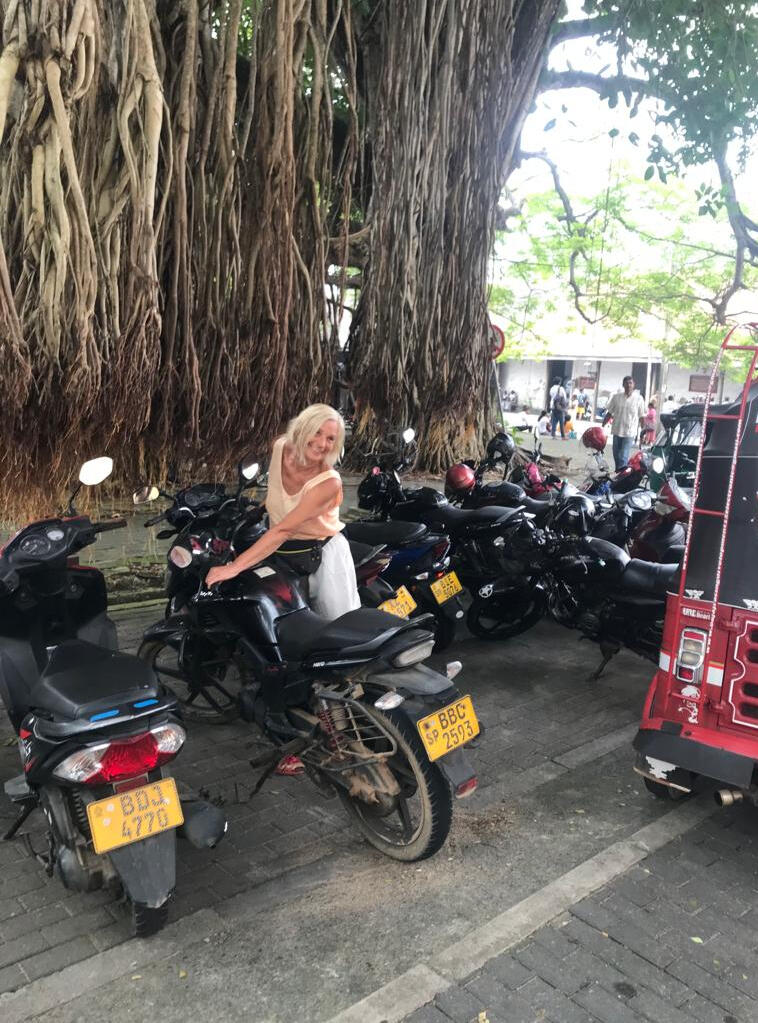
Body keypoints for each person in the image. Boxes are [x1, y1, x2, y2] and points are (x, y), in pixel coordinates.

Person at [206, 404, 360, 760]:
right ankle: (295, 718)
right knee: (283, 640)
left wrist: (233, 567)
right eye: (317, 432)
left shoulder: (329, 481)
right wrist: (259, 508)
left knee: (337, 645)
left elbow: (283, 529)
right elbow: (277, 498)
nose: (322, 443)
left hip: (322, 556)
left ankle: (347, 724)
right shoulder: (280, 448)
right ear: (300, 428)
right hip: (283, 555)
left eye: (331, 439)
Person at [602, 375, 647, 470]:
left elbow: (641, 416)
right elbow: (610, 412)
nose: (628, 385)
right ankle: (619, 473)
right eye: (626, 383)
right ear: (623, 385)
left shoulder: (639, 399)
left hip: (629, 433)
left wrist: (643, 431)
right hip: (617, 430)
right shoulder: (616, 397)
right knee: (616, 455)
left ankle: (621, 474)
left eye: (630, 383)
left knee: (623, 456)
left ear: (634, 385)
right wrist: (603, 425)